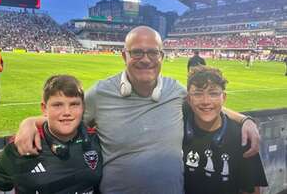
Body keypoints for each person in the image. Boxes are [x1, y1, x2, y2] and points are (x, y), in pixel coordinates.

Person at [14, 26, 260, 194]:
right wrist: (29, 122)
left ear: (162, 56)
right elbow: (66, 116)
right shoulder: (101, 93)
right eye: (137, 52)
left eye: (153, 52)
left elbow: (207, 105)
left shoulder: (175, 91)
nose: (146, 59)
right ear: (124, 56)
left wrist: (245, 120)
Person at [0, 75, 102, 194]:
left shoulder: (96, 140)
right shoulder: (22, 145)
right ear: (44, 108)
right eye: (57, 105)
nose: (67, 112)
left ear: (83, 107)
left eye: (74, 104)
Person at [183, 66, 268, 194]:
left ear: (224, 97)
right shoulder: (178, 128)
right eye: (198, 94)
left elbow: (252, 190)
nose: (206, 101)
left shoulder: (243, 137)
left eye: (213, 93)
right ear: (189, 99)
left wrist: (246, 120)